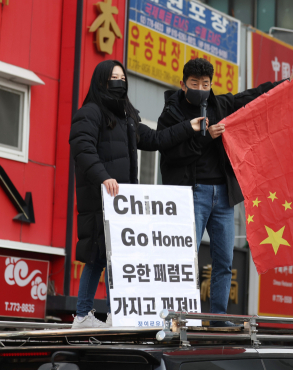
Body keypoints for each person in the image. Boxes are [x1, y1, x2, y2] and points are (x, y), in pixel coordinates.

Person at [157, 58, 293, 325]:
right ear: (183, 84)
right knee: (183, 258)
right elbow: (170, 153)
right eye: (195, 83)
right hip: (191, 193)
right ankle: (179, 316)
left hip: (224, 195)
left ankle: (218, 317)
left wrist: (287, 82)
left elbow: (252, 97)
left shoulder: (221, 105)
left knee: (224, 261)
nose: (201, 88)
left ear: (211, 84)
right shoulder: (171, 114)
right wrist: (206, 137)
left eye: (205, 84)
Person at [69, 59, 206, 329]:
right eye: (113, 79)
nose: (119, 83)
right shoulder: (90, 113)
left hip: (121, 203)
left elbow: (156, 139)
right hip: (100, 199)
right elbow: (83, 149)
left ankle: (102, 315)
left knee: (109, 258)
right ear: (101, 82)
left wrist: (188, 127)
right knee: (99, 256)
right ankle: (85, 315)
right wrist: (104, 177)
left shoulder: (127, 117)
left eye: (122, 78)